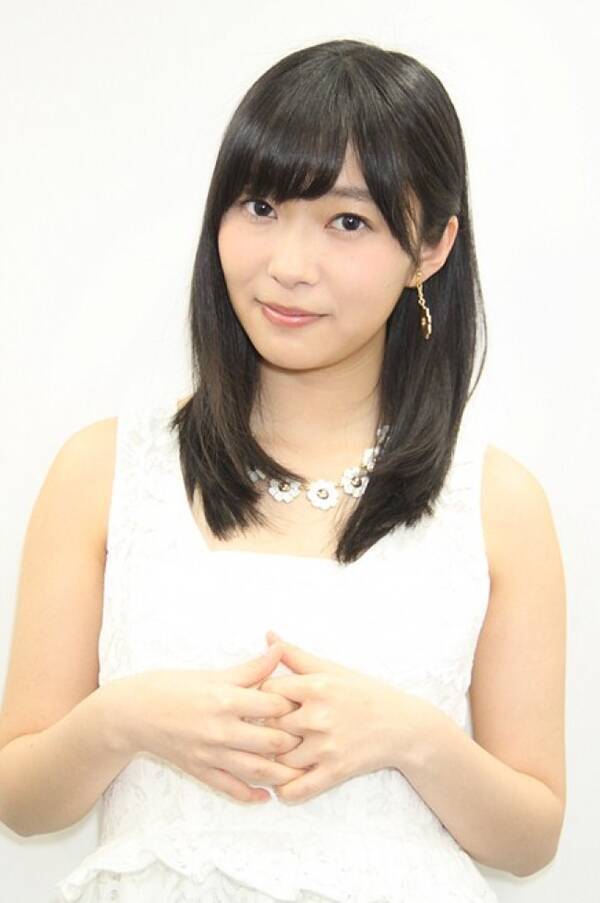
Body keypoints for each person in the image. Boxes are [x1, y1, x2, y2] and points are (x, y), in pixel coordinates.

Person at [0, 38, 566, 903]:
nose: (289, 266)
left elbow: (532, 837)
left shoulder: (495, 502)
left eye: (349, 222)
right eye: (261, 206)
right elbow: (20, 797)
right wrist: (127, 718)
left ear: (431, 247)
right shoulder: (103, 471)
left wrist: (410, 737)